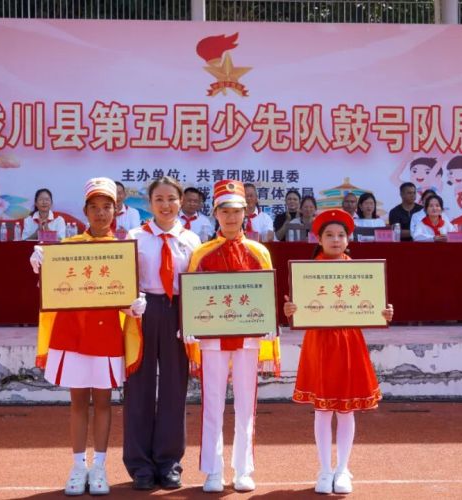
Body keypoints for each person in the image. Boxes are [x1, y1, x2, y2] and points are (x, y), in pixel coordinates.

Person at [29, 177, 146, 496]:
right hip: (72, 335)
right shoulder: (68, 248)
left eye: (107, 206)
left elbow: (126, 296)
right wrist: (42, 266)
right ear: (85, 211)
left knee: (104, 403)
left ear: (117, 210)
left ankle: (100, 467)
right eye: (94, 207)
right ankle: (78, 465)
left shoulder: (122, 250)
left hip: (106, 336)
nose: (101, 213)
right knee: (78, 402)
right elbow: (54, 290)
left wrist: (135, 306)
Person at [283, 209, 393, 494]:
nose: (335, 240)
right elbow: (298, 310)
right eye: (329, 235)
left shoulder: (359, 272)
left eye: (341, 235)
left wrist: (383, 313)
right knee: (322, 410)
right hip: (319, 341)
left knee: (346, 410)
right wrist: (290, 310)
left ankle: (343, 468)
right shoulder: (307, 272)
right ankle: (324, 469)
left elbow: (372, 306)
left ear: (348, 239)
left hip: (348, 341)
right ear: (318, 240)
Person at [186, 179, 281, 493]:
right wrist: (190, 326)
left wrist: (269, 326)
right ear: (215, 213)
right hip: (212, 340)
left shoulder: (259, 252)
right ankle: (212, 471)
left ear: (246, 213)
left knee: (245, 404)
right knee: (211, 404)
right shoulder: (201, 253)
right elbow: (192, 295)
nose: (230, 217)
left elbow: (266, 295)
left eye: (236, 211)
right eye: (224, 211)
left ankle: (243, 468)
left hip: (248, 339)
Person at [123, 176, 201, 491]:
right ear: (149, 203)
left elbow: (197, 282)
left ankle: (169, 463)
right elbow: (123, 280)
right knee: (138, 387)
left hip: (178, 311)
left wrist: (193, 319)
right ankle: (140, 465)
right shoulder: (134, 237)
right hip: (143, 311)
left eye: (171, 199)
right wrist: (129, 304)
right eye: (159, 199)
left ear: (181, 201)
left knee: (173, 387)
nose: (166, 205)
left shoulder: (192, 240)